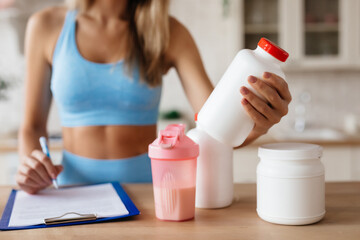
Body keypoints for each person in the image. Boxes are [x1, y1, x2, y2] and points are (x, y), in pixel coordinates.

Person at [16, 0, 292, 194]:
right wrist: (33, 167)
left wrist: (258, 124)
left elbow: (217, 128)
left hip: (151, 194)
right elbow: (31, 127)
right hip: (69, 191)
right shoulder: (46, 25)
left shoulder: (169, 32)